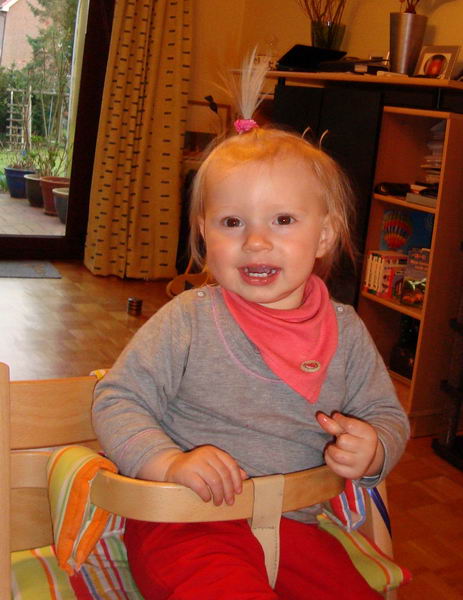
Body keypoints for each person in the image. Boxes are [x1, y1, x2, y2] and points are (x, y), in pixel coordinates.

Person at [92, 89, 410, 599]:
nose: (256, 241)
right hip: (185, 523)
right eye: (232, 222)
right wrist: (169, 462)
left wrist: (374, 450)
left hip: (293, 525)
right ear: (204, 233)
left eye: (282, 220)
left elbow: (386, 415)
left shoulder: (347, 331)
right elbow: (116, 399)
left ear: (325, 235)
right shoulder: (189, 320)